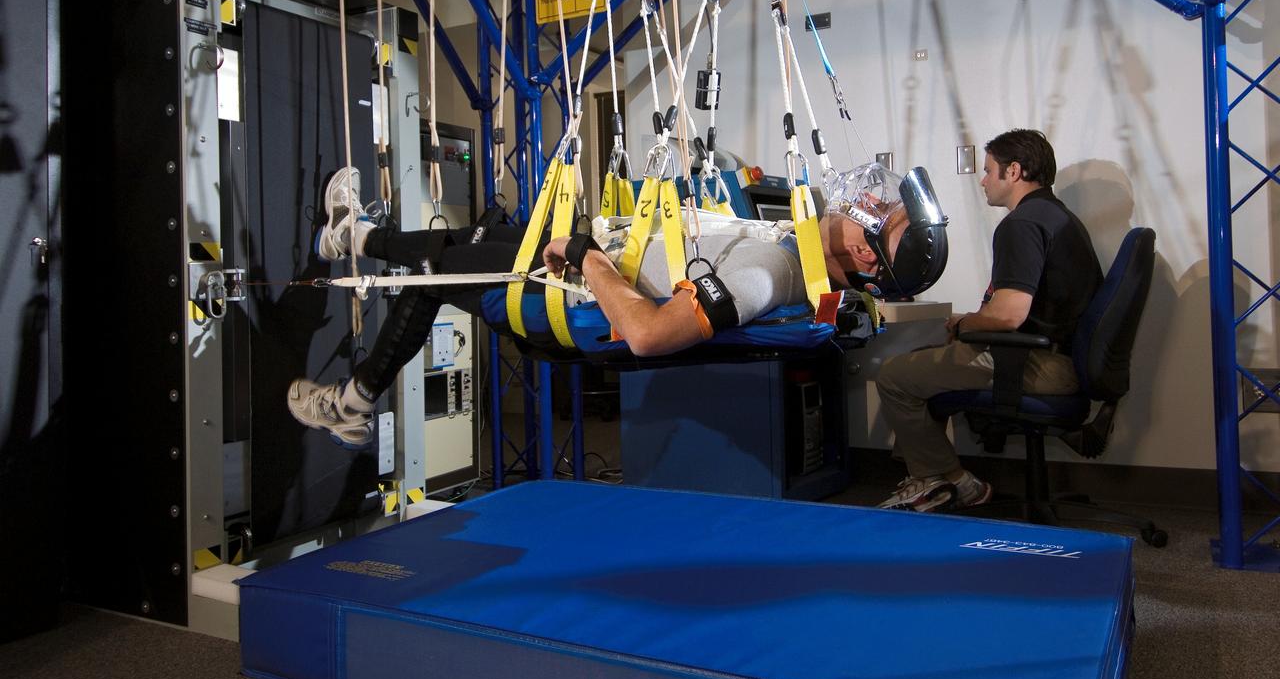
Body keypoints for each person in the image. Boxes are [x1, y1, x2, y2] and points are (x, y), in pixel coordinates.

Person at [288, 161, 945, 448]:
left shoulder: (772, 273)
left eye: (880, 220)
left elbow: (652, 335)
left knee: (437, 268)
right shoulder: (792, 243)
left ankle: (352, 393)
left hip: (562, 283)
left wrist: (588, 261)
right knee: (456, 246)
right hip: (586, 248)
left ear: (867, 260)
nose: (872, 205)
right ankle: (354, 241)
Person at [874, 129, 1103, 512]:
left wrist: (965, 325)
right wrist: (972, 322)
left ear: (1013, 172)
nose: (982, 180)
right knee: (928, 360)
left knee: (894, 376)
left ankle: (946, 481)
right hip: (1059, 358)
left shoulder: (1022, 224)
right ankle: (940, 479)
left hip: (1035, 364)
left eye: (988, 170)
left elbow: (1011, 314)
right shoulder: (1056, 215)